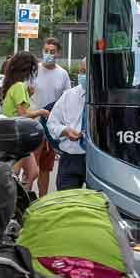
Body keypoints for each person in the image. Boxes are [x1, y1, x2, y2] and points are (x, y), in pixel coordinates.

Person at [30, 39, 71, 198]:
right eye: (46, 51)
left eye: (52, 52)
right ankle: (25, 196)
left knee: (45, 168)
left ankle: (43, 200)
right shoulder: (34, 71)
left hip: (51, 126)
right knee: (31, 167)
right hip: (33, 126)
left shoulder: (62, 74)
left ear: (58, 53)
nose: (48, 54)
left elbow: (67, 99)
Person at [1, 52, 47, 189]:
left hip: (14, 134)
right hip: (17, 136)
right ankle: (13, 201)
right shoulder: (19, 86)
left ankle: (20, 201)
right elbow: (23, 116)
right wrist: (41, 112)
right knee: (14, 173)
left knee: (32, 172)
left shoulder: (13, 85)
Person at [48, 60, 88, 191]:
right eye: (82, 71)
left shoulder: (110, 98)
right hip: (71, 159)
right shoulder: (69, 96)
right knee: (66, 203)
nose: (83, 75)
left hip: (99, 161)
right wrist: (65, 131)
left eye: (87, 72)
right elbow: (52, 123)